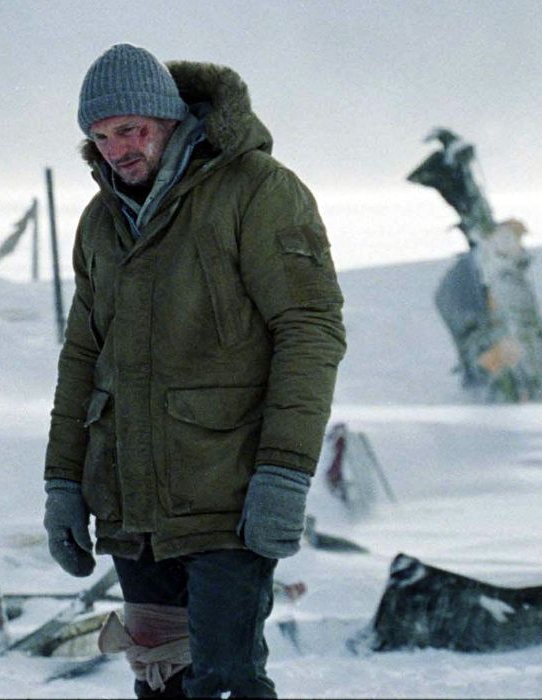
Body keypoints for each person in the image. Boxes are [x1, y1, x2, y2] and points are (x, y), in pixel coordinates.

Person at [42, 44, 346, 698]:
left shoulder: (259, 192)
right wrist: (63, 483)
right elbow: (82, 360)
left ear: (171, 120)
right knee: (161, 679)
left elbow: (309, 330)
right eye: (101, 136)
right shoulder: (100, 224)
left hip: (227, 497)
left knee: (224, 680)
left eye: (131, 130)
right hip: (130, 505)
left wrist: (284, 472)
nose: (117, 149)